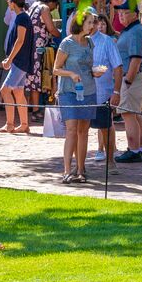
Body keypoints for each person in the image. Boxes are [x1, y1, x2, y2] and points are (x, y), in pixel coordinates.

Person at [53, 10, 101, 183]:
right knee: (71, 130)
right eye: (89, 22)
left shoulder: (89, 43)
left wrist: (95, 73)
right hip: (69, 91)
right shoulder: (67, 43)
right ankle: (67, 170)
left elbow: (89, 66)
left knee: (83, 131)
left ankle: (81, 169)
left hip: (88, 90)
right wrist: (71, 74)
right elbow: (55, 69)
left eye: (93, 22)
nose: (92, 26)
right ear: (81, 23)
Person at [115, 1, 142, 163]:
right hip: (134, 77)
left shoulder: (135, 31)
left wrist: (127, 81)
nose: (121, 15)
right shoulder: (131, 30)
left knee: (128, 114)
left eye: (125, 12)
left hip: (132, 77)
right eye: (120, 12)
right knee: (135, 114)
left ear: (135, 14)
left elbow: (135, 59)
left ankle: (134, 149)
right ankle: (141, 149)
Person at [0, 0, 33, 134]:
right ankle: (24, 124)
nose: (8, 5)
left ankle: (10, 124)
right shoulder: (21, 17)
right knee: (18, 92)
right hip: (20, 60)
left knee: (5, 90)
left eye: (9, 2)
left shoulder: (22, 18)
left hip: (20, 61)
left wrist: (9, 59)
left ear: (13, 3)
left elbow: (20, 40)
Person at [90, 14, 123, 166]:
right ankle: (79, 166)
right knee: (78, 129)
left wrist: (116, 92)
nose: (89, 25)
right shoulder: (75, 41)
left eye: (92, 22)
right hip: (81, 93)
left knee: (105, 126)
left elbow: (117, 66)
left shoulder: (107, 41)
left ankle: (110, 160)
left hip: (102, 92)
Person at [25, 0, 61, 119]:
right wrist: (62, 35)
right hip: (39, 48)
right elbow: (51, 28)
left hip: (31, 46)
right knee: (40, 77)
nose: (55, 7)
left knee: (35, 78)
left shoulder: (34, 5)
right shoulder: (44, 8)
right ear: (51, 1)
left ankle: (34, 109)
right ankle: (36, 110)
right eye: (55, 4)